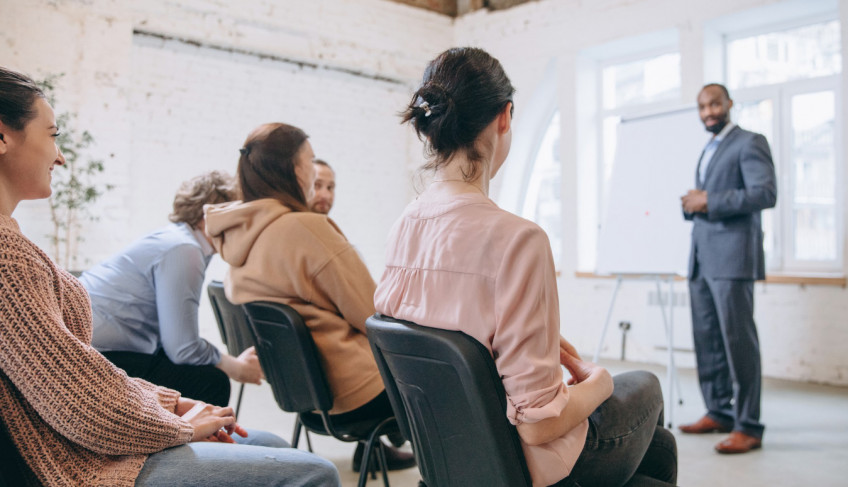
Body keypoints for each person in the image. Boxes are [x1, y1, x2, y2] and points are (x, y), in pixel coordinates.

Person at [0, 65, 340, 487]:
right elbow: (79, 402)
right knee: (318, 472)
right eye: (52, 135)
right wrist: (183, 424)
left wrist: (175, 404)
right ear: (2, 137)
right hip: (76, 463)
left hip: (88, 427)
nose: (61, 154)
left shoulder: (15, 245)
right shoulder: (8, 257)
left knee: (273, 442)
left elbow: (81, 377)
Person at [374, 47, 678, 487]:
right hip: (524, 466)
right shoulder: (519, 239)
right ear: (505, 117)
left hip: (447, 454)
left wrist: (525, 341)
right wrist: (599, 383)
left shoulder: (402, 227)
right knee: (644, 384)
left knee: (661, 445)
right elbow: (538, 424)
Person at [204, 123, 416, 472]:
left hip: (307, 399)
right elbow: (373, 313)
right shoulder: (305, 228)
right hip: (358, 394)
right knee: (456, 383)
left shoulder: (240, 239)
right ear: (296, 168)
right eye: (310, 160)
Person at [80, 171, 262, 407]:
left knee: (198, 369)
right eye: (235, 216)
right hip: (98, 358)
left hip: (100, 349)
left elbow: (176, 342)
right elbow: (182, 348)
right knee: (211, 381)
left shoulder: (176, 239)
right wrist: (234, 367)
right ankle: (199, 442)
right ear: (208, 216)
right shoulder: (184, 250)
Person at [678, 83, 776, 454]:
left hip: (733, 259)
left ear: (730, 103)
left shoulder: (750, 142)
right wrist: (693, 203)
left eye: (715, 104)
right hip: (703, 259)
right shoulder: (711, 147)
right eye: (702, 106)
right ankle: (719, 411)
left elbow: (765, 193)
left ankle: (749, 426)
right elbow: (710, 199)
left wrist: (710, 199)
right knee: (708, 340)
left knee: (739, 344)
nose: (708, 112)